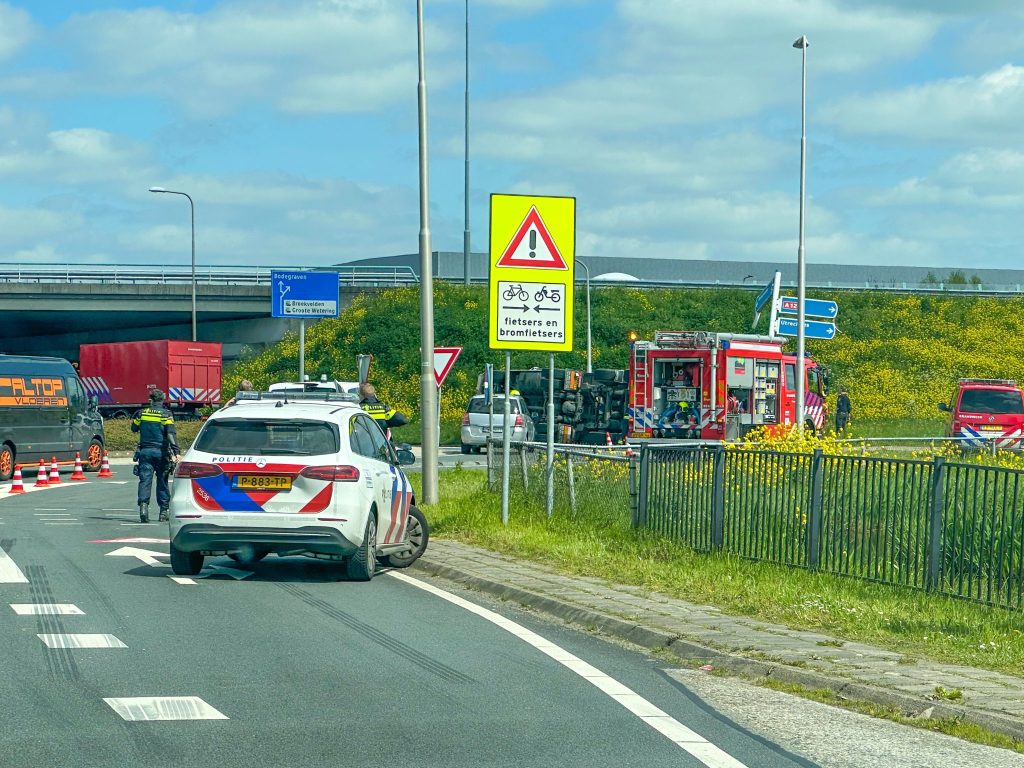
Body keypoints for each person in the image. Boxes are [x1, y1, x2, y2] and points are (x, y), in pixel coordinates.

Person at [131, 389, 180, 523]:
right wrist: (176, 452)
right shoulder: (166, 415)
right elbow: (170, 434)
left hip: (145, 453)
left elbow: (133, 428)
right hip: (161, 453)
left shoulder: (142, 413)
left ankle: (143, 508)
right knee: (162, 481)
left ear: (150, 400)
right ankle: (163, 512)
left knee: (145, 480)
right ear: (162, 400)